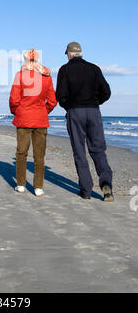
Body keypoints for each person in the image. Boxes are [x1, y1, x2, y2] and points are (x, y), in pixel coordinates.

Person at [56, 42, 113, 202]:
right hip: (93, 111)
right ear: (80, 53)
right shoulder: (94, 69)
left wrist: (70, 106)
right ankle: (106, 183)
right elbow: (106, 92)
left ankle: (86, 190)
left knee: (79, 151)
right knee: (98, 149)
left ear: (68, 53)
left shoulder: (64, 70)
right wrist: (95, 102)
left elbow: (60, 96)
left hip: (75, 112)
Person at [9, 49, 57, 196]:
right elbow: (53, 101)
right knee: (39, 155)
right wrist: (43, 111)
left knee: (21, 152)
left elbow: (14, 100)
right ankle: (38, 187)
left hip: (24, 118)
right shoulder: (46, 76)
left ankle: (21, 184)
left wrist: (18, 111)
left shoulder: (20, 75)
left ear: (25, 59)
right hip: (40, 119)